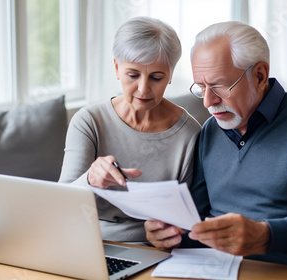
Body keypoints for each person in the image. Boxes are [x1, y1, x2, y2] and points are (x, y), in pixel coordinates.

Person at [145, 21, 287, 273]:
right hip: (218, 270)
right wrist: (170, 233)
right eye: (201, 88)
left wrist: (265, 235)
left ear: (259, 75)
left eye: (218, 86)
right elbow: (196, 222)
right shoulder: (211, 131)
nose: (208, 102)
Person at [58, 17, 201, 243]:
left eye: (156, 77)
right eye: (133, 75)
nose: (143, 89)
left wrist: (165, 235)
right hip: (87, 243)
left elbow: (189, 218)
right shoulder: (89, 121)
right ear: (116, 68)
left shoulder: (190, 134)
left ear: (171, 74)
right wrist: (90, 180)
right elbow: (59, 206)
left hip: (152, 249)